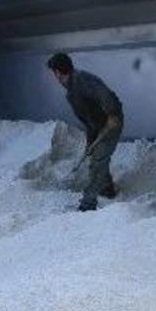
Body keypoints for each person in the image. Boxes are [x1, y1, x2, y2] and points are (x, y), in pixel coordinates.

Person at [46, 52, 124, 212]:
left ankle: (87, 205)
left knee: (97, 163)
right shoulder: (71, 88)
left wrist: (112, 113)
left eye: (54, 73)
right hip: (98, 126)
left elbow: (106, 95)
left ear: (58, 73)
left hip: (111, 123)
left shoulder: (82, 80)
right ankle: (107, 189)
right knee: (97, 155)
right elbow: (89, 119)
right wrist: (90, 141)